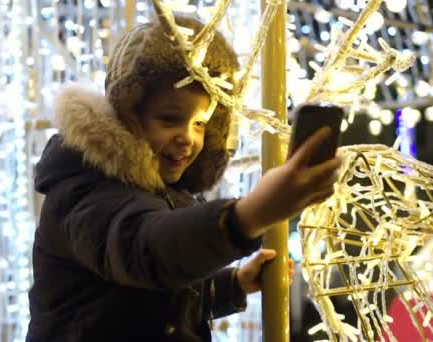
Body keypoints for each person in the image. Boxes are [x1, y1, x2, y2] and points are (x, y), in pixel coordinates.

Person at [26, 16, 341, 342]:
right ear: (129, 114)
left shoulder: (164, 191)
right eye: (170, 119)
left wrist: (231, 285)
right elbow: (147, 251)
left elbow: (148, 303)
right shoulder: (86, 187)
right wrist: (247, 216)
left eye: (201, 123)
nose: (188, 138)